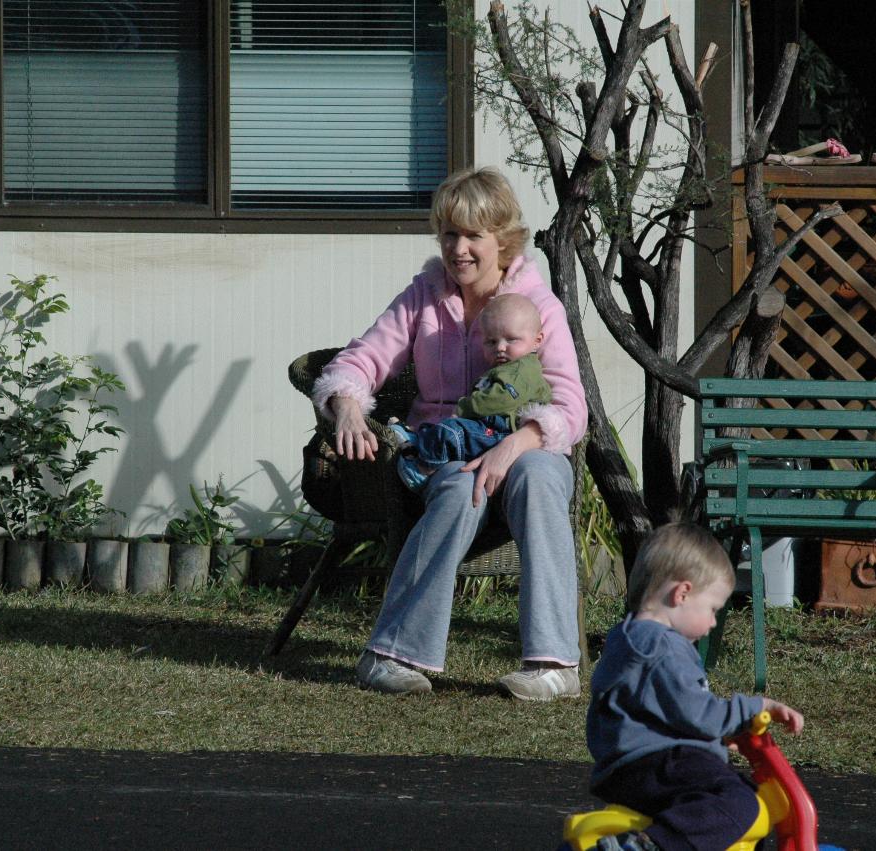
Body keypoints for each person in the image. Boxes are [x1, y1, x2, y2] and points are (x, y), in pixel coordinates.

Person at [309, 166, 587, 700]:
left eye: (473, 236)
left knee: (543, 477)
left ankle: (554, 666)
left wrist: (516, 443)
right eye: (449, 234)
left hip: (524, 441)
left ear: (502, 240)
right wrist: (345, 405)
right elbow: (361, 360)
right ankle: (389, 654)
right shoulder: (422, 296)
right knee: (462, 486)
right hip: (446, 447)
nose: (458, 249)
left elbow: (570, 407)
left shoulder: (538, 305)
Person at [586, 523, 805, 851]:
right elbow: (698, 713)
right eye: (713, 609)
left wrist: (711, 739)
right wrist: (753, 708)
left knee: (737, 798)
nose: (714, 622)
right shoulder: (664, 646)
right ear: (682, 594)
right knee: (741, 804)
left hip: (627, 770)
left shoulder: (629, 638)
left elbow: (661, 713)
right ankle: (651, 846)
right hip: (655, 765)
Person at [390, 292, 552, 492]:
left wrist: (465, 407)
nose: (500, 347)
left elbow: (500, 399)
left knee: (454, 432)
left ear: (537, 340)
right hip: (490, 425)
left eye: (511, 339)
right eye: (491, 342)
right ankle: (416, 441)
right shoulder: (508, 367)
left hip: (503, 430)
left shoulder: (522, 370)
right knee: (448, 429)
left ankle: (423, 468)